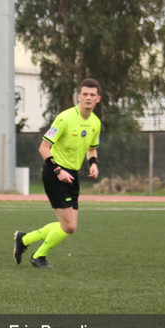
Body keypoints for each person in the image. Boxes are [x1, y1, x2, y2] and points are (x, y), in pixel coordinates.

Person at [13, 78, 102, 270]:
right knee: (69, 226)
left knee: (69, 225)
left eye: (92, 95)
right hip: (55, 172)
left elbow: (92, 148)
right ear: (78, 97)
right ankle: (38, 256)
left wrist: (93, 164)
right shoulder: (65, 118)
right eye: (85, 94)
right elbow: (43, 148)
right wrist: (58, 170)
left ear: (98, 99)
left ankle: (24, 239)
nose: (88, 98)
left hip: (72, 175)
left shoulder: (95, 122)